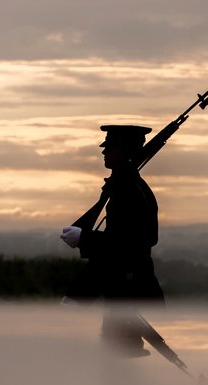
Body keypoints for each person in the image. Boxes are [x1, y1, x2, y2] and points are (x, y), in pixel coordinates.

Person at [60, 125, 164, 357]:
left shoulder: (129, 191)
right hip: (123, 285)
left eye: (111, 148)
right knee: (117, 354)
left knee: (119, 355)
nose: (104, 153)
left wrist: (83, 238)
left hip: (127, 285)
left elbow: (126, 244)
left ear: (125, 151)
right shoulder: (126, 187)